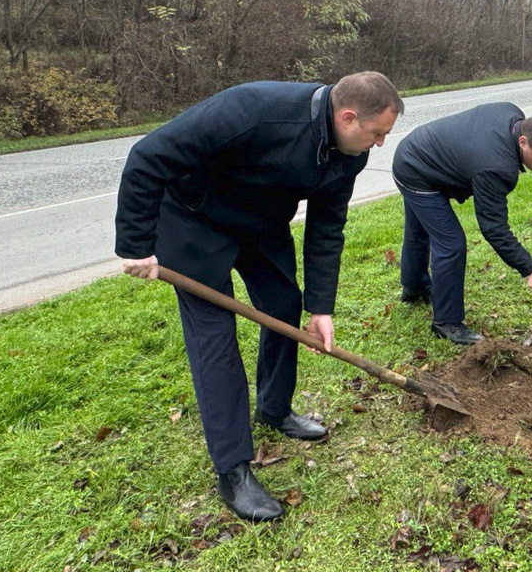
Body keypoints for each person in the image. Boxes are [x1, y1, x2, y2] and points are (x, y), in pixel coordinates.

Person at [115, 72, 403, 520]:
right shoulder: (253, 110)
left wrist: (321, 307)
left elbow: (327, 228)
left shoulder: (349, 153)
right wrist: (135, 244)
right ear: (348, 117)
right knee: (215, 338)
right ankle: (233, 469)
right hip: (195, 222)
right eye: (378, 133)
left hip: (261, 225)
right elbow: (149, 155)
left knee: (285, 306)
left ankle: (274, 408)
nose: (381, 143)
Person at [391, 103, 532, 344]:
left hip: (418, 150)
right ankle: (447, 323)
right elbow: (494, 228)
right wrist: (530, 269)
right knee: (451, 243)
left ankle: (415, 288)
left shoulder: (511, 114)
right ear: (522, 141)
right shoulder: (496, 166)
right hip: (415, 170)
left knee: (420, 230)